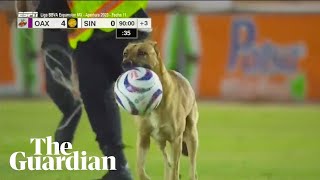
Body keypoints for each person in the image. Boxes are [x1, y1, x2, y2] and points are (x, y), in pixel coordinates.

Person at [64, 1, 150, 179]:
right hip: (86, 35)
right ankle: (118, 169)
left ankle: (179, 132)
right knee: (94, 97)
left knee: (143, 89)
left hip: (124, 23)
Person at [15, 0, 82, 145]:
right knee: (53, 88)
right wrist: (23, 16)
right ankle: (72, 109)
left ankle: (69, 120)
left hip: (69, 28)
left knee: (57, 85)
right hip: (50, 31)